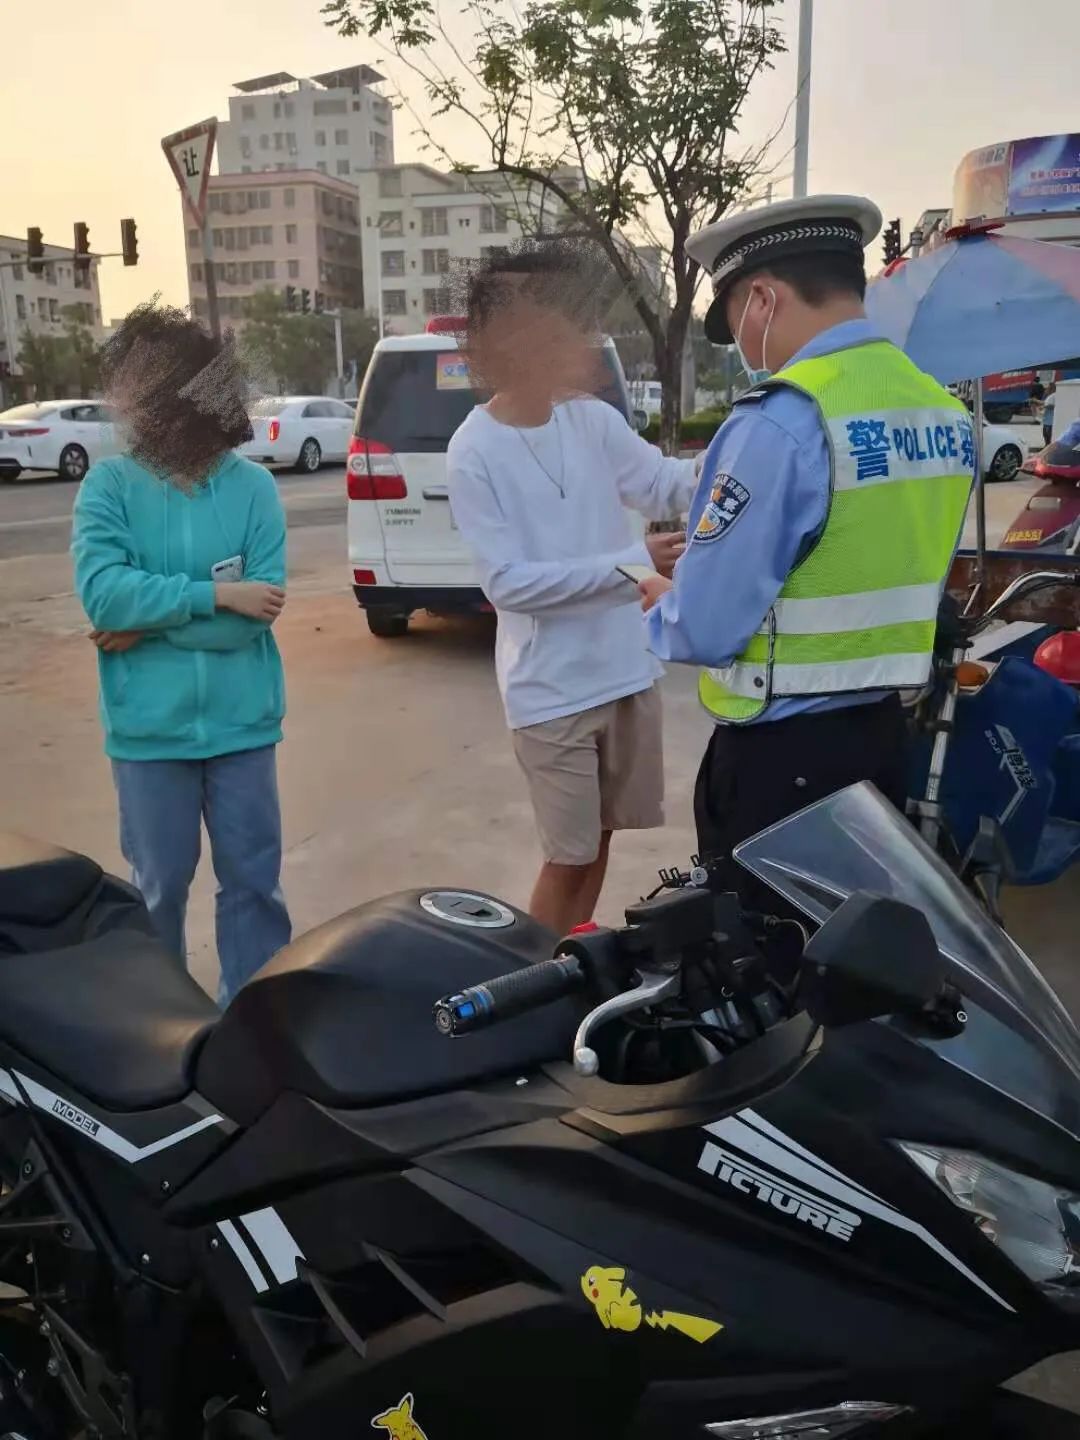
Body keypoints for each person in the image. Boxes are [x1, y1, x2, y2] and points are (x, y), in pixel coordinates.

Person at [640, 195, 976, 910]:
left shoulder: (785, 421)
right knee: (855, 957)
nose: (742, 345)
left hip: (781, 764)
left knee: (764, 971)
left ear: (762, 295)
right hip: (883, 741)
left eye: (734, 322)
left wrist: (663, 603)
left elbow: (706, 626)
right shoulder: (940, 412)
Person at [447, 242, 699, 937]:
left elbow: (661, 482)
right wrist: (630, 564)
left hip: (623, 670)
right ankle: (528, 982)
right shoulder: (473, 451)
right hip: (551, 691)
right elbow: (508, 585)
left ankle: (568, 965)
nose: (585, 344)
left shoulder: (590, 420)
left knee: (605, 840)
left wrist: (743, 449)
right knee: (570, 854)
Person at [71, 302, 291, 1002]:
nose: (130, 401)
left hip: (242, 727)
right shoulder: (109, 485)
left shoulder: (254, 489)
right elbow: (104, 597)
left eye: (147, 382)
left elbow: (257, 619)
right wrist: (215, 597)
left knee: (253, 885)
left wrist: (151, 618)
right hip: (149, 735)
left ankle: (252, 1023)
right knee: (159, 890)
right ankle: (158, 1024)